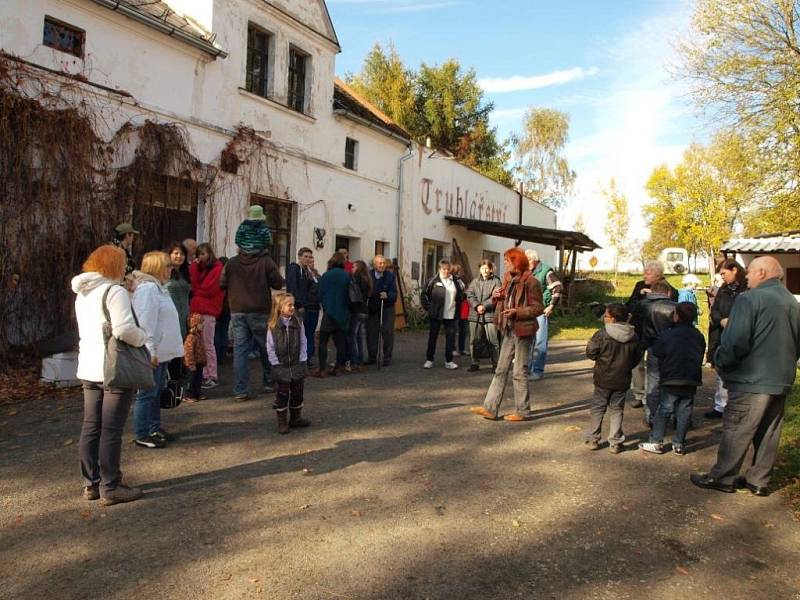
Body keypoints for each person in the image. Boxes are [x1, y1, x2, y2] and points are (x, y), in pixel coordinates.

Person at [691, 256, 800, 496]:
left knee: (737, 427)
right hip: (780, 378)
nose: (746, 276)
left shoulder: (749, 299)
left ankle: (723, 476)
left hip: (751, 378)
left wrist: (720, 361)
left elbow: (735, 341)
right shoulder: (791, 301)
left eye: (749, 272)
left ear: (762, 273)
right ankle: (758, 480)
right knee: (769, 431)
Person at [72, 245, 148, 505]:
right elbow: (124, 329)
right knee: (111, 429)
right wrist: (143, 337)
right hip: (112, 367)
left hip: (89, 366)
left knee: (91, 425)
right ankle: (111, 486)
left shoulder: (83, 292)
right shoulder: (114, 291)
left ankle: (91, 483)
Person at [470, 248, 544, 421]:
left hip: (524, 331)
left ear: (516, 261)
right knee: (500, 369)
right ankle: (490, 408)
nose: (504, 263)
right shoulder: (508, 279)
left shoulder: (531, 282)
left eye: (507, 260)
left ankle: (522, 411)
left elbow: (538, 308)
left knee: (519, 372)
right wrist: (497, 297)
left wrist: (517, 312)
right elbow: (505, 299)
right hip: (509, 329)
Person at [220, 226, 285, 401]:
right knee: (266, 347)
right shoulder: (266, 261)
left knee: (240, 351)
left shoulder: (231, 262)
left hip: (237, 310)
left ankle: (240, 390)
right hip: (259, 310)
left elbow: (222, 283)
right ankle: (269, 381)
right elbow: (278, 283)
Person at [131, 251, 184, 449]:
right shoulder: (148, 290)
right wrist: (150, 351)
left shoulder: (159, 288)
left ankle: (153, 427)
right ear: (157, 267)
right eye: (168, 266)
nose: (171, 269)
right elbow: (146, 324)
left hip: (162, 352)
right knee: (147, 393)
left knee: (156, 392)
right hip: (153, 352)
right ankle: (142, 432)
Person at [639, 302, 705, 456]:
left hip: (671, 376)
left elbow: (658, 353)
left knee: (665, 409)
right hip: (691, 377)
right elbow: (701, 351)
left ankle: (656, 441)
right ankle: (679, 443)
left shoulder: (667, 334)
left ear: (676, 316)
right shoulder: (698, 335)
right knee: (685, 410)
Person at [585, 303, 640, 453]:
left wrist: (599, 360)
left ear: (613, 319)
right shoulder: (633, 335)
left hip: (603, 377)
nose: (604, 318)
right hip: (622, 378)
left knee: (598, 408)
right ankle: (615, 442)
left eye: (607, 316)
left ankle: (593, 439)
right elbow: (636, 358)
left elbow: (590, 352)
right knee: (617, 409)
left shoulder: (602, 334)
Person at [626, 261, 679, 407]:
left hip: (657, 334)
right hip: (638, 330)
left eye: (648, 273)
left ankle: (655, 395)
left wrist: (654, 296)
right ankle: (639, 394)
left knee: (655, 367)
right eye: (645, 272)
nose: (644, 276)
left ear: (658, 275)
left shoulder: (670, 290)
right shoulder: (639, 286)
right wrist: (640, 296)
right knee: (636, 364)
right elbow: (629, 305)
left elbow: (671, 310)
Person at [705, 259, 748, 419]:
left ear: (735, 270)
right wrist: (721, 319)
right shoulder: (723, 290)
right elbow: (714, 310)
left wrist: (735, 321)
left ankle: (736, 406)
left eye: (724, 273)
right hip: (722, 334)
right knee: (721, 371)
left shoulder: (747, 288)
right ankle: (720, 406)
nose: (722, 277)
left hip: (741, 335)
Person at [633, 280, 677, 426]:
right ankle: (672, 415)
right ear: (668, 292)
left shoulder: (643, 305)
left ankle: (650, 416)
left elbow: (636, 323)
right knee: (672, 382)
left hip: (652, 347)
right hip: (672, 348)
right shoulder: (675, 307)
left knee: (653, 383)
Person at [267, 293, 310, 434]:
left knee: (298, 391)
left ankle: (296, 418)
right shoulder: (273, 325)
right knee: (282, 394)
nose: (292, 307)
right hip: (281, 365)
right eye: (289, 305)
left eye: (293, 304)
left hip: (297, 363)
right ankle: (282, 421)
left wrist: (303, 358)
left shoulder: (297, 322)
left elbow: (303, 340)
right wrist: (275, 363)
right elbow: (270, 346)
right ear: (280, 307)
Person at [189, 243, 224, 389]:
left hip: (208, 310)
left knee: (208, 344)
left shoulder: (217, 268)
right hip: (199, 308)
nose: (201, 257)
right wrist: (194, 267)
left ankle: (212, 375)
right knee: (200, 344)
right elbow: (195, 283)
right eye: (199, 254)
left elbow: (209, 289)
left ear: (209, 254)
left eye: (203, 254)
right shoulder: (201, 268)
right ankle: (204, 374)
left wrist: (196, 292)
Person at [525, 249, 562, 381]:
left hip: (541, 310)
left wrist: (551, 306)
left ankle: (538, 371)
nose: (525, 263)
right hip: (528, 310)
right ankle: (525, 369)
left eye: (527, 260)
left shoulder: (546, 271)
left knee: (540, 343)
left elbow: (558, 288)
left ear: (533, 259)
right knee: (527, 341)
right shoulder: (527, 271)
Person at [421, 259, 464, 369]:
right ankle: (429, 359)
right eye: (443, 269)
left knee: (450, 338)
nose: (446, 271)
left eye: (448, 269)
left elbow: (462, 294)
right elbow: (424, 295)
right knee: (433, 337)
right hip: (436, 314)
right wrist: (430, 308)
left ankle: (449, 361)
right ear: (439, 269)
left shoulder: (455, 280)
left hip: (451, 314)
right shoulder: (433, 281)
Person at [313, 252, 351, 377]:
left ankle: (322, 369)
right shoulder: (347, 276)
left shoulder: (326, 276)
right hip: (343, 313)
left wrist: (324, 305)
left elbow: (319, 293)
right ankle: (338, 368)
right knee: (340, 343)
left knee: (323, 342)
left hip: (329, 313)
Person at [465, 259, 501, 371]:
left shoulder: (496, 281)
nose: (484, 270)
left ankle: (496, 364)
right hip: (475, 315)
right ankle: (474, 362)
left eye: (487, 268)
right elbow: (469, 294)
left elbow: (496, 296)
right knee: (474, 340)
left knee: (493, 340)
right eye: (482, 268)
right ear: (479, 269)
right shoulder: (474, 281)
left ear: (491, 269)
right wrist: (477, 306)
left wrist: (484, 306)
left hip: (490, 315)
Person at [366, 254, 397, 367]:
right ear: (374, 265)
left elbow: (394, 293)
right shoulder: (369, 275)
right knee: (371, 332)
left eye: (384, 263)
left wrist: (388, 295)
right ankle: (372, 357)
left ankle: (387, 357)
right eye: (380, 263)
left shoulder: (390, 276)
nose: (382, 265)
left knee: (387, 332)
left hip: (387, 306)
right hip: (373, 307)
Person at [348, 260, 372, 370]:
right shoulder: (367, 280)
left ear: (358, 268)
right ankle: (362, 359)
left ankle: (355, 360)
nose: (352, 269)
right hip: (364, 311)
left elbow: (353, 296)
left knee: (353, 335)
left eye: (354, 267)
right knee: (361, 336)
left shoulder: (356, 279)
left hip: (357, 310)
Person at [182, 313, 207, 403]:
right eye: (200, 323)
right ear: (195, 325)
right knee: (192, 379)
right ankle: (189, 394)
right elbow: (188, 352)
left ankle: (197, 393)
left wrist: (203, 360)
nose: (202, 325)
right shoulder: (191, 337)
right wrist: (190, 363)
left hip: (199, 362)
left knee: (198, 379)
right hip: (193, 363)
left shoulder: (198, 336)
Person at [304, 254, 322, 369]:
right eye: (309, 260)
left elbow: (318, 289)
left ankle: (308, 356)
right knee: (305, 333)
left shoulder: (316, 275)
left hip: (314, 307)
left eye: (312, 261)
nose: (311, 263)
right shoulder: (303, 274)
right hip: (306, 306)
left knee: (310, 333)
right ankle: (305, 356)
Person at [214, 256, 231, 366]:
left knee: (217, 333)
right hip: (228, 308)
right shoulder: (231, 278)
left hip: (218, 307)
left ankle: (218, 356)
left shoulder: (217, 278)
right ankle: (222, 356)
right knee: (223, 332)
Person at [111, 223, 138, 290]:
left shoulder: (121, 249)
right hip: (119, 288)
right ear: (127, 235)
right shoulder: (117, 251)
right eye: (132, 235)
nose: (133, 239)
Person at [451, 264, 470, 357]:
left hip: (464, 306)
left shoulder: (460, 280)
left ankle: (461, 349)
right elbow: (456, 293)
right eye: (460, 270)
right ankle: (452, 349)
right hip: (456, 307)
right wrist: (464, 295)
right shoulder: (452, 280)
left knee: (463, 329)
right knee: (454, 329)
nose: (461, 271)